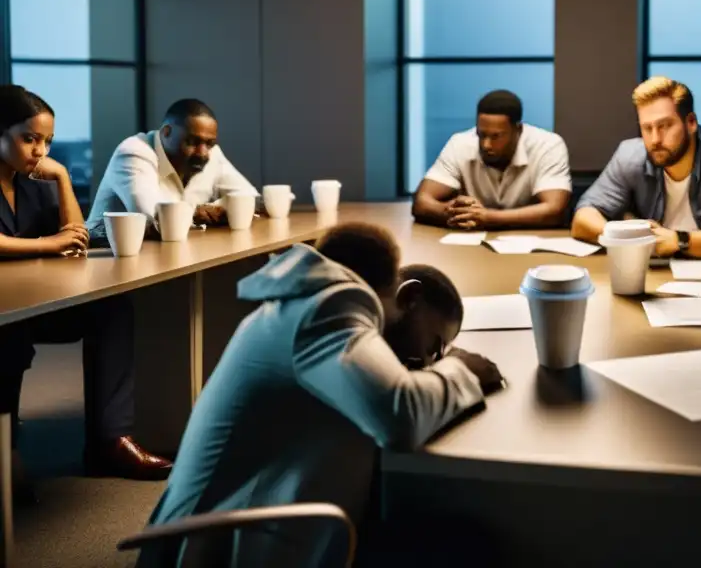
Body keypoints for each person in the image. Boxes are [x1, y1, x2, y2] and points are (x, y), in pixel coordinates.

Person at [138, 222, 504, 567]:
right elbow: (400, 417)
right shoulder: (329, 309)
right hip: (217, 550)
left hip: (237, 526)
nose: (430, 361)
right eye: (436, 346)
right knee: (469, 546)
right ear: (409, 297)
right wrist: (461, 369)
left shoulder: (296, 305)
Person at [0, 86, 172, 503]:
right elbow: (54, 243)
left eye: (47, 141)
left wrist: (60, 178)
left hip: (34, 302)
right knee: (9, 337)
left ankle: (110, 441)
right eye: (29, 138)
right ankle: (7, 446)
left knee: (111, 308)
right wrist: (46, 245)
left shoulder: (38, 181)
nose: (39, 150)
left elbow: (73, 237)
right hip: (6, 312)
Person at [572, 76, 701, 258]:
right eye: (646, 128)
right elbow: (582, 219)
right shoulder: (630, 155)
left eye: (665, 126)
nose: (655, 139)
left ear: (691, 122)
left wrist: (679, 241)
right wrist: (621, 236)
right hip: (663, 276)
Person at [86, 98, 257, 238]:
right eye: (192, 142)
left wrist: (219, 207)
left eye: (210, 143)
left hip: (171, 254)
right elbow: (153, 218)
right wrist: (197, 211)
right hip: (102, 260)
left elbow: (252, 198)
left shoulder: (212, 154)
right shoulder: (134, 152)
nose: (203, 153)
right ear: (166, 132)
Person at [412, 90, 571, 230]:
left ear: (518, 130)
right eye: (481, 134)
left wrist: (488, 218)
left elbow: (554, 211)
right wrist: (452, 212)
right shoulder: (460, 143)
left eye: (496, 136)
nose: (485, 144)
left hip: (528, 243)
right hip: (470, 244)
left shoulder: (548, 145)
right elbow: (421, 201)